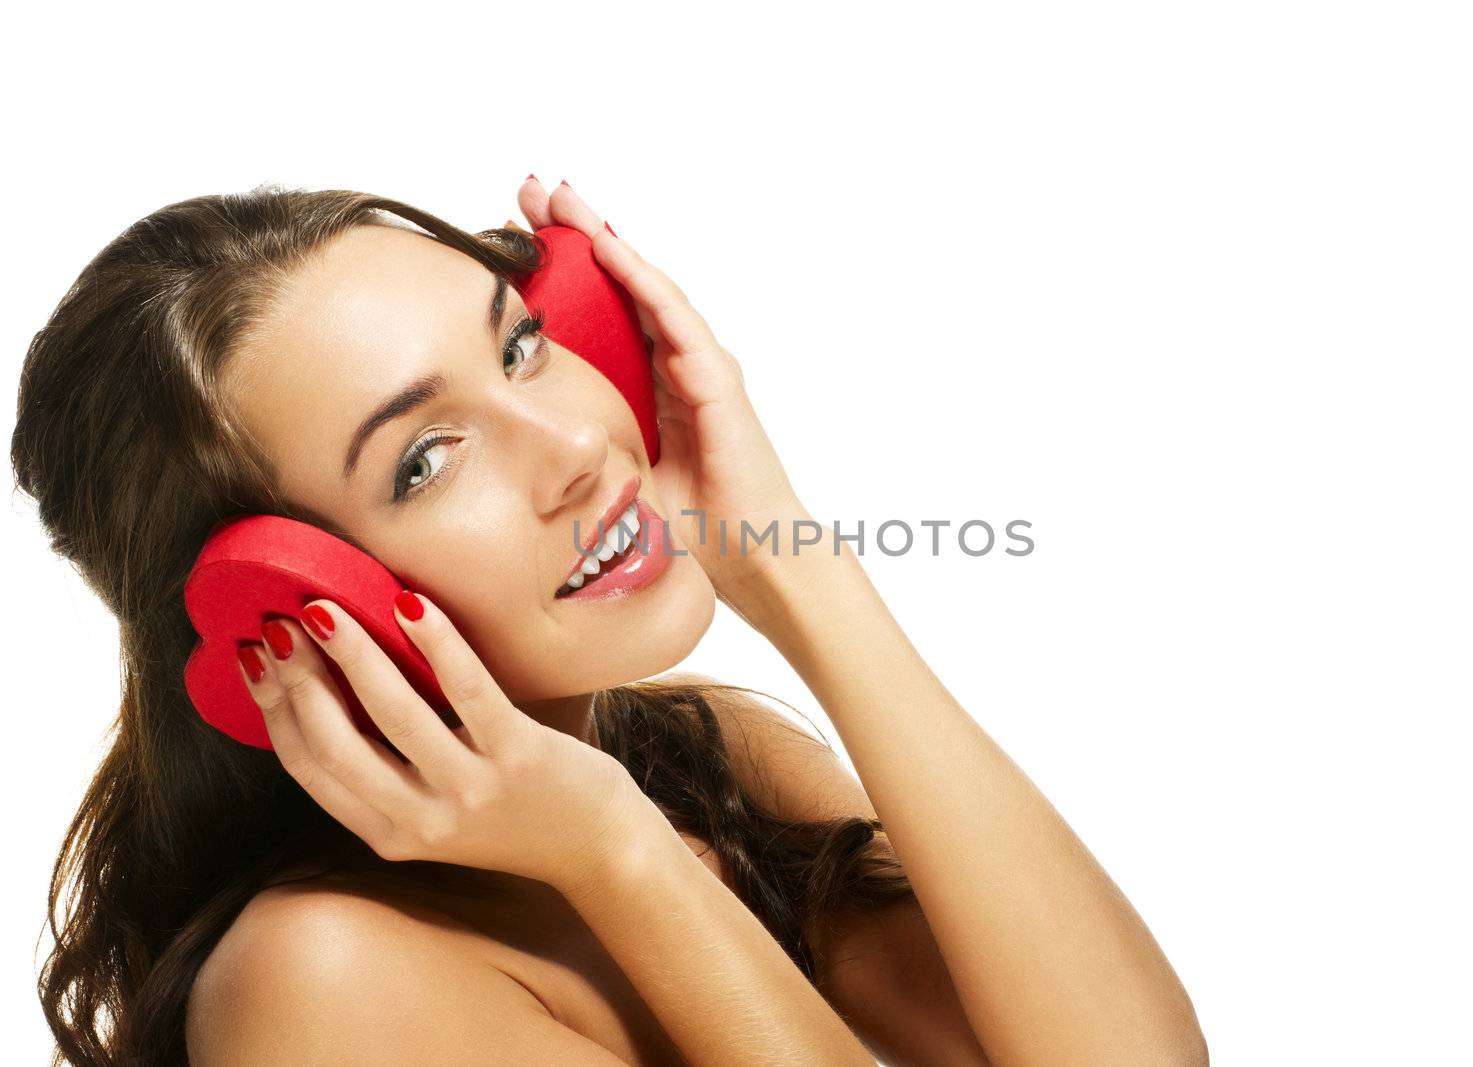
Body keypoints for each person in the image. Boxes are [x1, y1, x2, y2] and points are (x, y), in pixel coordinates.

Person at [12, 176, 1207, 1066]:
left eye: (522, 345)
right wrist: (617, 853)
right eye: (427, 459)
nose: (580, 443)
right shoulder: (321, 975)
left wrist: (797, 572)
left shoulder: (708, 762)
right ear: (292, 600)